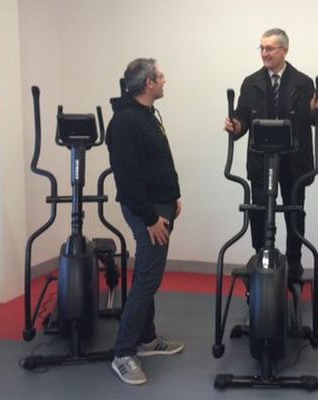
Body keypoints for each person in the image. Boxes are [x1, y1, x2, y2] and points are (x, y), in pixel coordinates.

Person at [224, 28, 318, 281]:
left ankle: (294, 268)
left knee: (294, 213)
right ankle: (261, 260)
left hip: (295, 161)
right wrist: (235, 126)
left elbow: (317, 120)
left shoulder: (304, 83)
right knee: (259, 211)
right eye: (261, 48)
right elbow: (242, 116)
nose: (264, 53)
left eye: (269, 48)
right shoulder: (250, 82)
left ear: (284, 50)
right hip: (261, 161)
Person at [106, 58, 184, 385]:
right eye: (161, 76)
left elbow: (159, 161)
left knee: (147, 275)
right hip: (147, 211)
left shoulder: (146, 115)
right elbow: (128, 179)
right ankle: (123, 353)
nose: (165, 80)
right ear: (149, 83)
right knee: (147, 281)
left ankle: (148, 338)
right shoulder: (125, 122)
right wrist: (152, 218)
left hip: (161, 205)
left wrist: (174, 195)